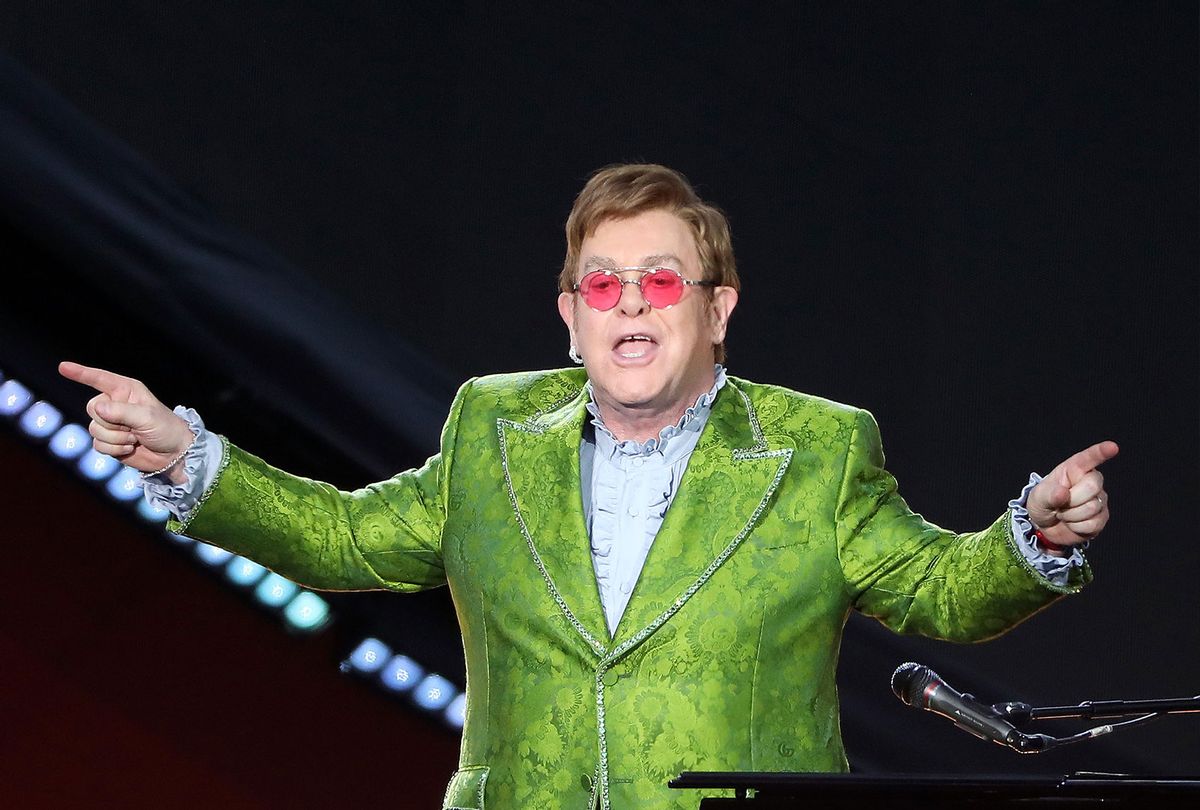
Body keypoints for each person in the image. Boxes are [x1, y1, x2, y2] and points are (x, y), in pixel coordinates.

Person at [60, 164, 1116, 810]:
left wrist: (1033, 534)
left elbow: (939, 590)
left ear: (717, 308)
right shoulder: (492, 428)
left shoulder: (817, 449)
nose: (629, 306)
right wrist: (183, 456)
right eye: (602, 285)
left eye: (661, 280)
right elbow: (342, 541)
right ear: (570, 317)